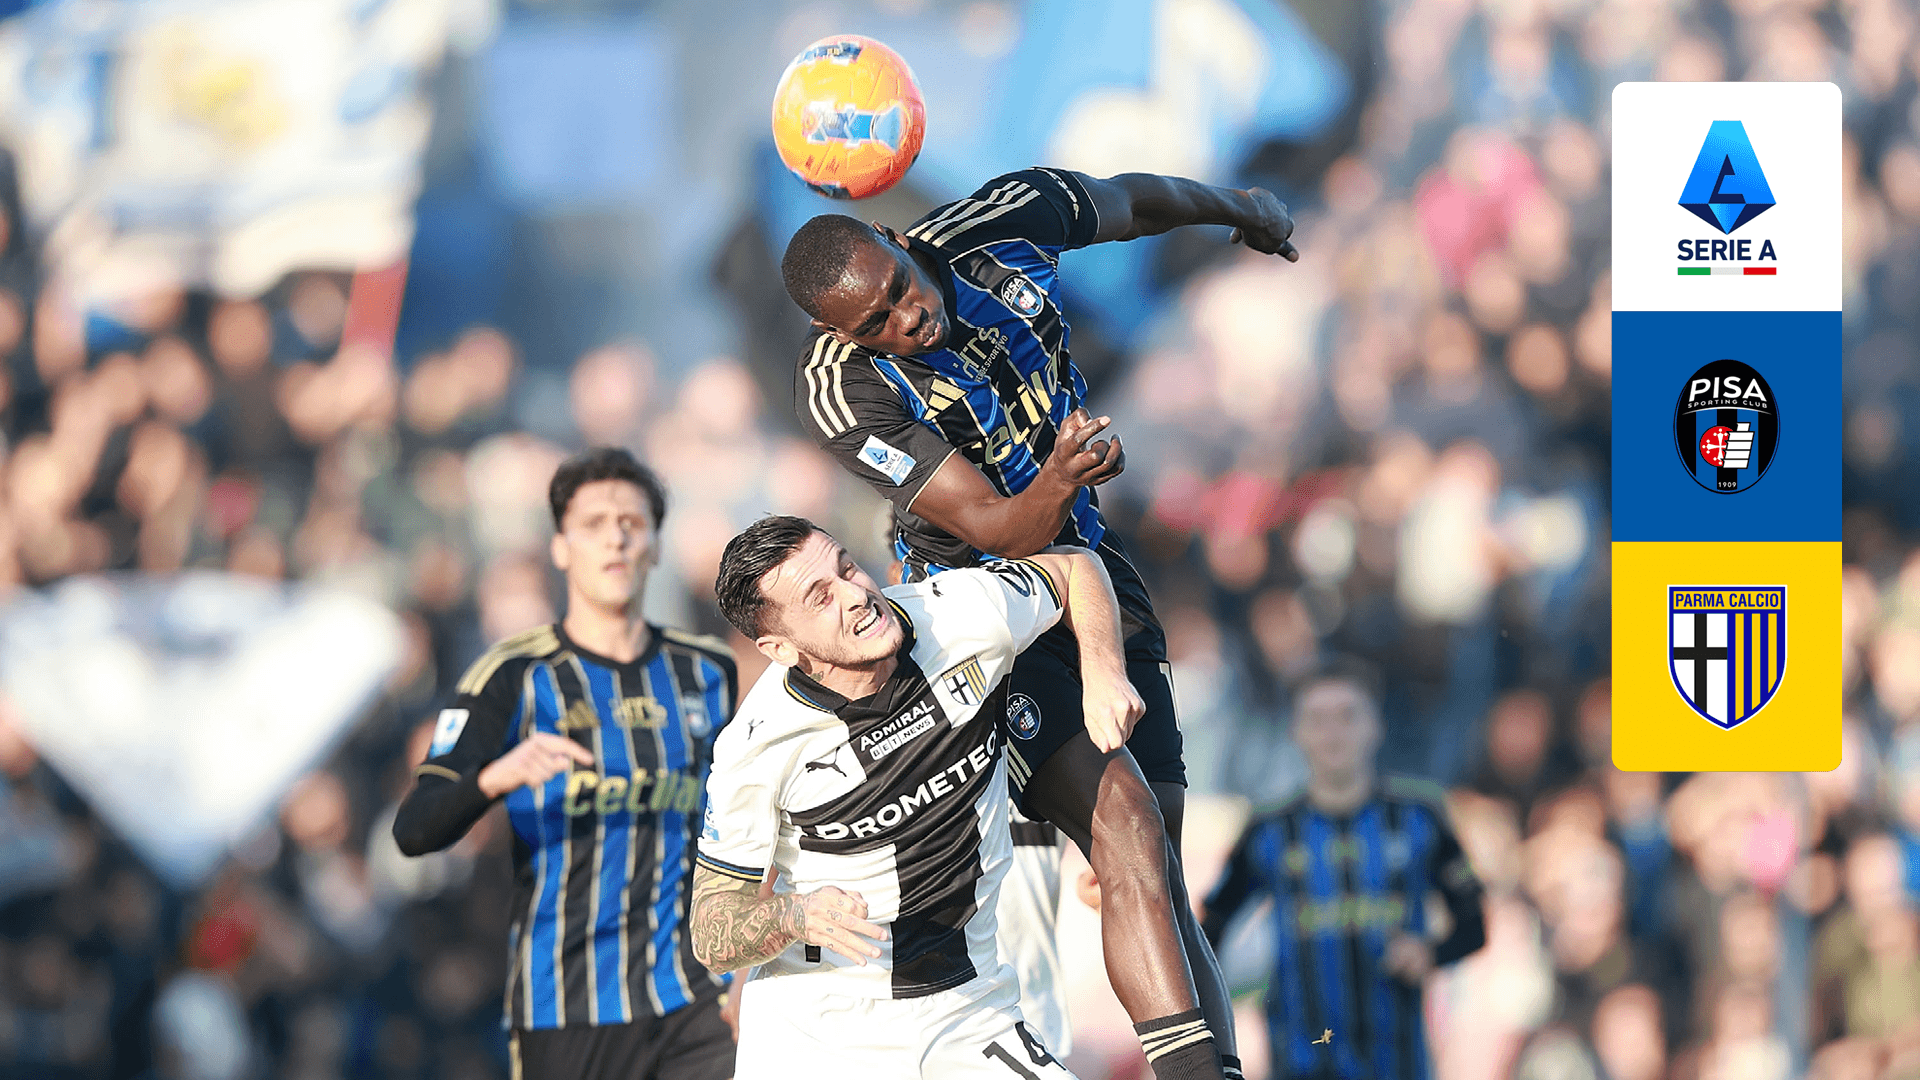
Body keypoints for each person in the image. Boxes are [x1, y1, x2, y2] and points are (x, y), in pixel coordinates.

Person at [781, 165, 1298, 1080]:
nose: (906, 319)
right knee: (1124, 824)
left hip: (1094, 569)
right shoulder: (841, 392)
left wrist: (1242, 207)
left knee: (1158, 860)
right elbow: (996, 528)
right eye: (876, 323)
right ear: (840, 334)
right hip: (982, 616)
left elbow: (1133, 202)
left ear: (897, 242)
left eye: (899, 290)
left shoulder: (1002, 222)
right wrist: (1063, 472)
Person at [690, 515, 1163, 1079]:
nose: (856, 595)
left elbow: (1075, 568)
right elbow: (710, 930)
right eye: (821, 597)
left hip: (970, 1007)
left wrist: (1104, 669)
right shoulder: (755, 749)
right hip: (819, 1030)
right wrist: (796, 916)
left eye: (846, 567)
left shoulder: (956, 615)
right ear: (780, 647)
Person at [392, 447, 737, 1080]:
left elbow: (749, 823)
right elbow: (415, 829)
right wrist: (499, 775)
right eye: (593, 523)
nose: (615, 539)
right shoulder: (511, 674)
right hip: (566, 1004)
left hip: (695, 997)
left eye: (632, 523)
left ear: (656, 546)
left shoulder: (709, 671)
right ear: (560, 548)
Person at [1201, 659, 1488, 1080]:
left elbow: (1474, 925)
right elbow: (1210, 930)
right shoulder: (1268, 831)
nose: (1333, 733)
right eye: (1317, 719)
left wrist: (1430, 952)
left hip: (1398, 1061)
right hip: (1300, 1060)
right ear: (1296, 731)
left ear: (1376, 726)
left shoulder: (1421, 818)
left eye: (1348, 716)